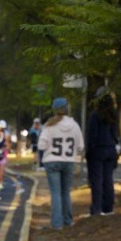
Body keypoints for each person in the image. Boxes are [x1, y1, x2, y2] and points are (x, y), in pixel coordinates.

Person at [38, 97, 84, 229]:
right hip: (68, 161)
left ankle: (57, 224)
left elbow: (41, 145)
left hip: (52, 161)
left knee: (56, 193)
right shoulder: (74, 125)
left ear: (54, 110)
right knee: (66, 192)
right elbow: (80, 146)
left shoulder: (49, 125)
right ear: (67, 109)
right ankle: (68, 221)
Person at [84, 93, 121, 217]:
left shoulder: (95, 115)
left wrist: (89, 152)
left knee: (97, 180)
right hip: (111, 150)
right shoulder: (114, 115)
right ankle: (108, 208)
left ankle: (96, 209)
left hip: (98, 151)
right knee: (108, 180)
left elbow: (92, 135)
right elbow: (115, 134)